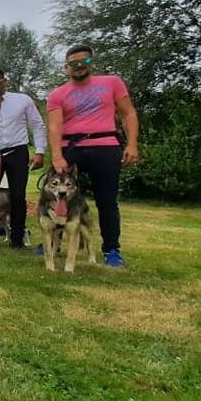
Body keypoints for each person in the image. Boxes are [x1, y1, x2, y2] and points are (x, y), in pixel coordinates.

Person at [47, 44, 139, 267]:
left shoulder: (111, 83)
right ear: (66, 67)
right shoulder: (58, 94)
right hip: (72, 147)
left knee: (107, 202)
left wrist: (132, 144)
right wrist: (57, 156)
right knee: (57, 197)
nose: (79, 67)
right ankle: (54, 243)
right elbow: (54, 126)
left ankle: (111, 250)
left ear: (91, 62)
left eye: (84, 62)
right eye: (73, 64)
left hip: (105, 145)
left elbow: (128, 113)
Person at [0, 68, 47, 249]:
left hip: (17, 152)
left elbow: (37, 125)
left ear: (5, 82)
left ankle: (17, 238)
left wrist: (40, 151)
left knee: (18, 196)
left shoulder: (22, 101)